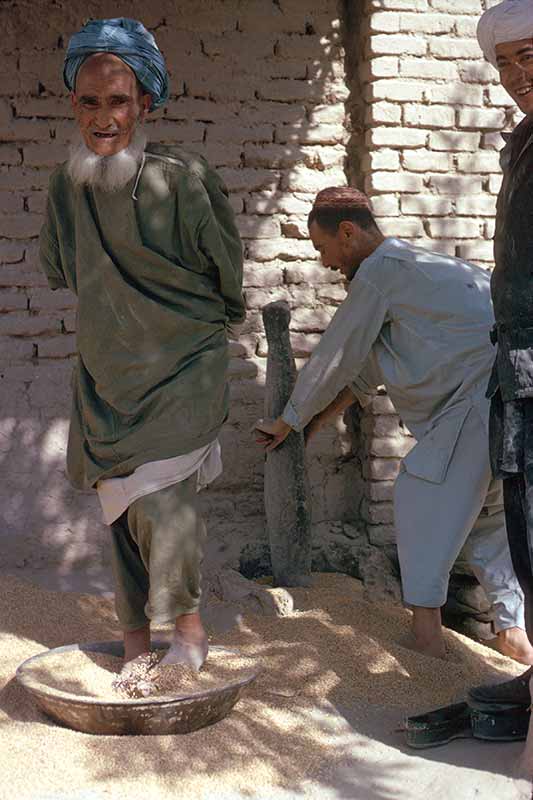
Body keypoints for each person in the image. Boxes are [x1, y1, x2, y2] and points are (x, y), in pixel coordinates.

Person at [39, 18, 245, 671]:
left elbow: (225, 273)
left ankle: (187, 635)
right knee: (121, 509)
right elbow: (59, 267)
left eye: (119, 101)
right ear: (74, 104)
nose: (103, 118)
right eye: (89, 102)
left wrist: (173, 319)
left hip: (183, 366)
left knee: (164, 502)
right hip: (107, 377)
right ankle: (134, 644)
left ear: (146, 104)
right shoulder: (63, 186)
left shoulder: (185, 176)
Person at [255, 186, 533, 663]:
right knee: (487, 519)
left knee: (417, 492)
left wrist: (288, 418)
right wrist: (313, 423)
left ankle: (426, 636)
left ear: (347, 232)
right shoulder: (411, 272)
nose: (325, 262)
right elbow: (366, 371)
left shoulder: (382, 273)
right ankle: (512, 633)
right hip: (500, 404)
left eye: (323, 248)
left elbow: (337, 354)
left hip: (477, 401)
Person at [467, 2, 533, 774]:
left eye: (530, 56)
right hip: (517, 373)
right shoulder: (520, 143)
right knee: (524, 534)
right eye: (505, 64)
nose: (518, 76)